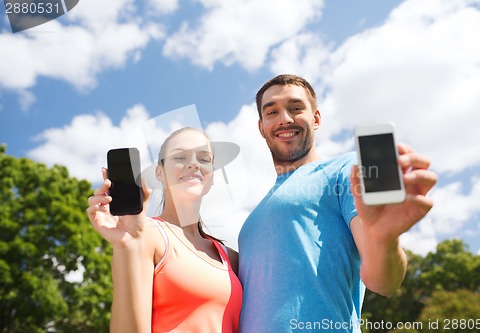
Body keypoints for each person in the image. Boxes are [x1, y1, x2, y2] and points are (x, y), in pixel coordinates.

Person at [237, 74, 438, 332]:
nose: (284, 118)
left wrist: (382, 239)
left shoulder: (345, 169)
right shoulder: (251, 221)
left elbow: (383, 282)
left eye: (296, 108)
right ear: (261, 127)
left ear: (316, 118)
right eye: (272, 111)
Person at [87, 127, 243, 333]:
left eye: (204, 159)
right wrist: (127, 246)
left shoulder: (230, 257)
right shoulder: (147, 235)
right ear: (159, 172)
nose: (194, 164)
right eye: (180, 156)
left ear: (212, 176)